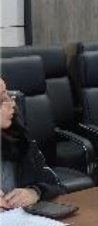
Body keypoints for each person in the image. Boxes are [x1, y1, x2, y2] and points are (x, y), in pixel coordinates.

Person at [0, 77, 64, 208]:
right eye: (1, 99)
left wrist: (35, 192)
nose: (12, 103)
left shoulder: (18, 137)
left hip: (19, 218)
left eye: (7, 94)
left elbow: (55, 184)